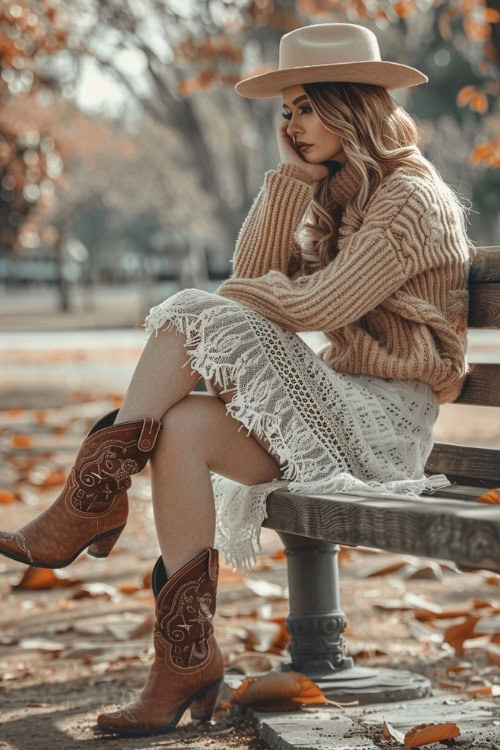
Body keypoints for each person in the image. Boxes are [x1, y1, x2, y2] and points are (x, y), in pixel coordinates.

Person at [0, 22, 476, 737]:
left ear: (353, 104)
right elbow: (255, 279)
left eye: (306, 107)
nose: (292, 123)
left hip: (385, 426)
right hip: (339, 409)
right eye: (285, 111)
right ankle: (185, 658)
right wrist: (290, 180)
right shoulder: (341, 195)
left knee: (195, 314)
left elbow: (315, 305)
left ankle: (90, 499)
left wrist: (222, 308)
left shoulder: (410, 196)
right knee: (182, 430)